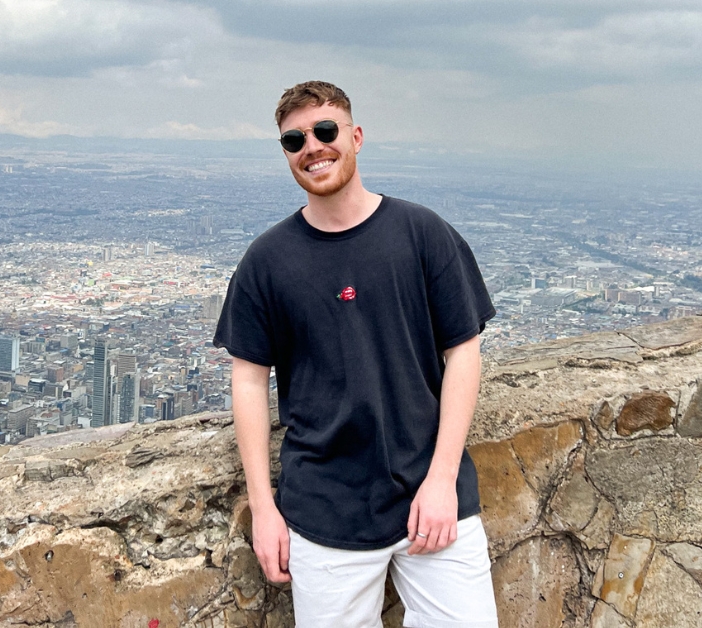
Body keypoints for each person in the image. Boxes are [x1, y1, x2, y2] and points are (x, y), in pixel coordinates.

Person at [213, 80, 498, 628]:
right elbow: (248, 381)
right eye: (294, 141)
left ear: (357, 136)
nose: (312, 148)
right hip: (325, 509)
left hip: (435, 498)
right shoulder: (267, 262)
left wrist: (441, 481)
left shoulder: (422, 234)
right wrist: (264, 508)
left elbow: (464, 351)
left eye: (325, 131)